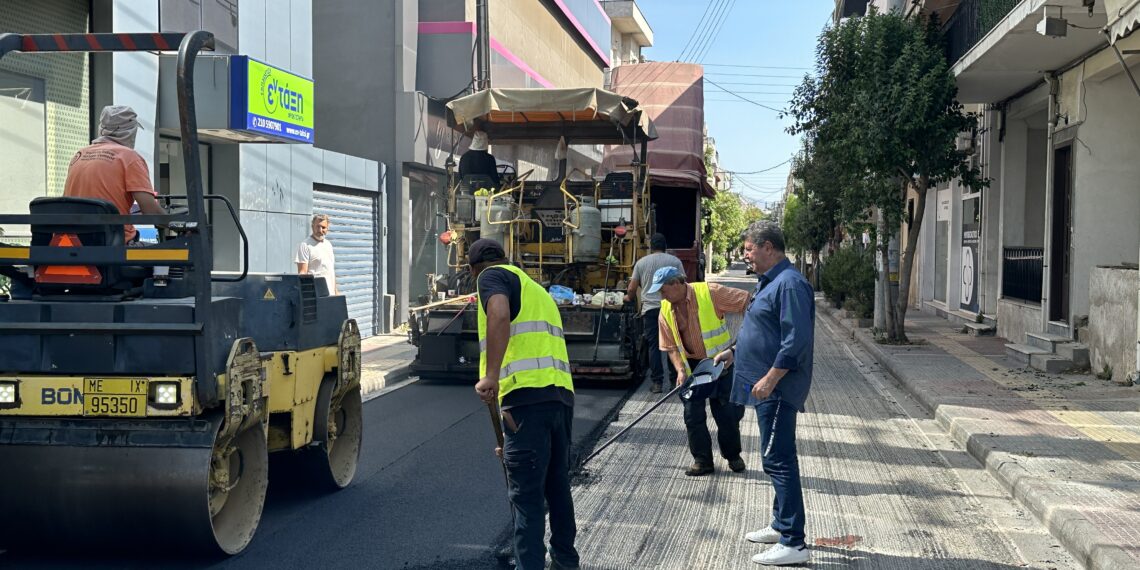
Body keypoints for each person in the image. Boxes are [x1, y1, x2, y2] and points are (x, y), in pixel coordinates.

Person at [469, 238, 578, 570]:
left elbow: (499, 313)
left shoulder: (491, 277)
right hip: (559, 398)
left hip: (525, 400)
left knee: (527, 497)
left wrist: (490, 376)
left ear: (474, 268)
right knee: (557, 486)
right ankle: (565, 561)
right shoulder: (537, 290)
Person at [714, 222, 815, 566]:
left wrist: (772, 378)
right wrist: (734, 351)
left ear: (768, 247)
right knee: (776, 456)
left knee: (778, 459)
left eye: (748, 249)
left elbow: (794, 341)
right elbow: (760, 329)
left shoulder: (790, 285)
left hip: (778, 388)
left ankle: (793, 542)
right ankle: (780, 523)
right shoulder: (769, 281)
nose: (745, 256)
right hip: (763, 385)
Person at [648, 265, 750, 476]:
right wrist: (680, 370)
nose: (662, 295)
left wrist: (743, 340)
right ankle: (702, 460)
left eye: (663, 289)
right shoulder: (665, 309)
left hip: (720, 363)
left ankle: (733, 456)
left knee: (726, 413)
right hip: (692, 368)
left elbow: (749, 302)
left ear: (676, 284)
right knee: (692, 416)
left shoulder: (710, 293)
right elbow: (670, 346)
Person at [63, 105, 165, 243]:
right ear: (130, 131)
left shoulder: (79, 155)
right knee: (167, 257)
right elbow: (151, 211)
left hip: (74, 241)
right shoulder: (130, 157)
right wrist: (178, 224)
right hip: (114, 241)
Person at [624, 233, 685, 393]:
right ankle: (674, 381)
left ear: (651, 246)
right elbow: (684, 285)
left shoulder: (641, 263)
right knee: (674, 343)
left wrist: (627, 297)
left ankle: (657, 383)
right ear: (665, 246)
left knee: (654, 346)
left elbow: (632, 288)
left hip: (650, 310)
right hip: (672, 308)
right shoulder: (675, 261)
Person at [295, 214, 338, 295]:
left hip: (330, 295)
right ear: (312, 227)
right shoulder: (305, 245)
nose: (320, 230)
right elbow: (302, 273)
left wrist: (336, 291)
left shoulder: (328, 245)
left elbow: (331, 271)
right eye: (317, 226)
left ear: (327, 228)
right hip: (315, 295)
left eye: (323, 227)